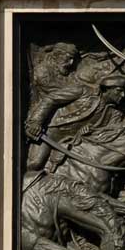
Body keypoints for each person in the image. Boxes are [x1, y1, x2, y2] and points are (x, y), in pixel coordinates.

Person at [24, 42, 84, 172]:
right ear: (57, 55)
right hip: (45, 124)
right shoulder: (43, 72)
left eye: (73, 59)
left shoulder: (67, 74)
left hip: (68, 124)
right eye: (68, 58)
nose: (71, 63)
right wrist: (35, 121)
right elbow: (53, 95)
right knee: (35, 163)